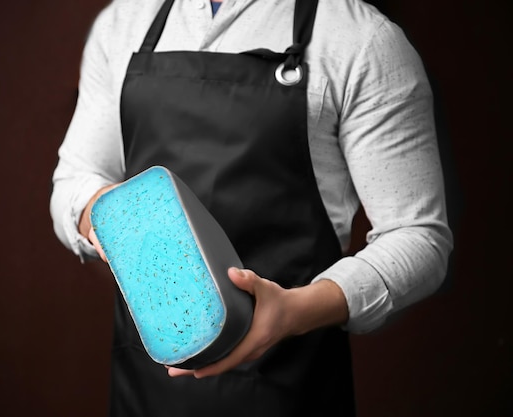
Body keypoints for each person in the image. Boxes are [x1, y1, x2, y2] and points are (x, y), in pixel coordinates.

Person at [50, 0, 453, 415]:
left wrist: (295, 312)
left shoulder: (361, 40)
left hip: (288, 384)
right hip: (146, 386)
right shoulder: (125, 21)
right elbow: (76, 182)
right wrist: (115, 221)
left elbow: (418, 236)